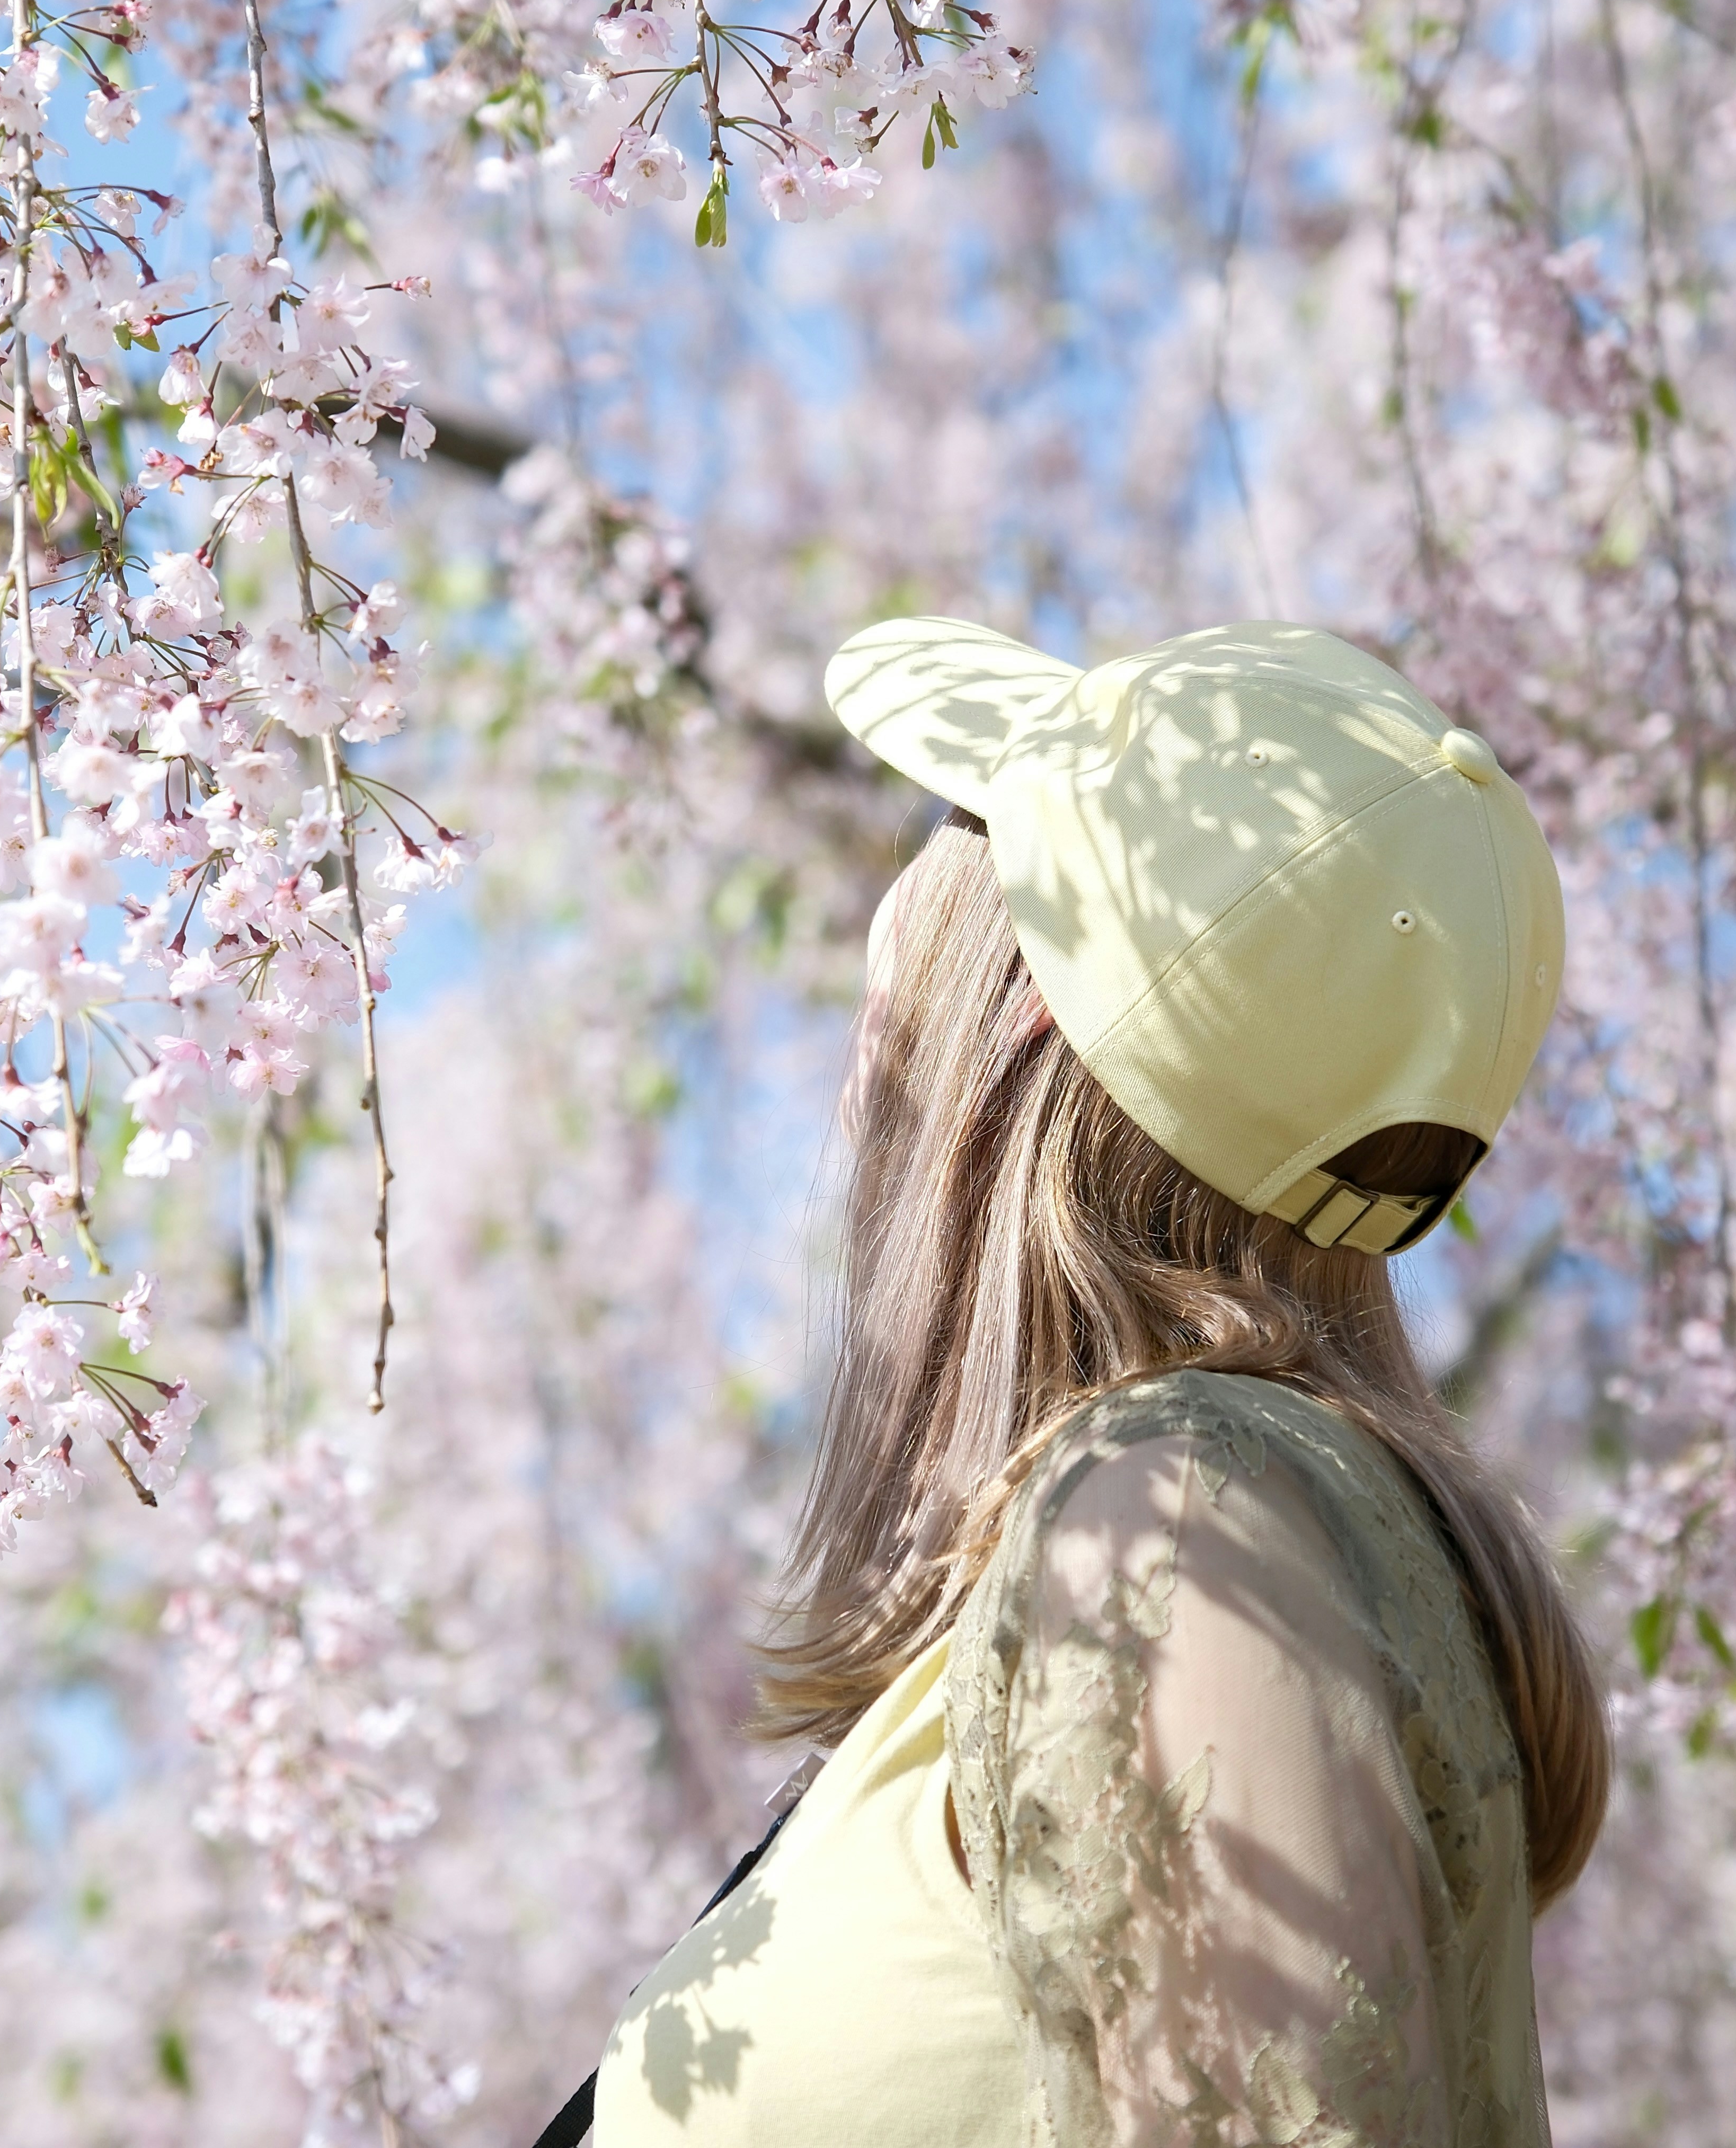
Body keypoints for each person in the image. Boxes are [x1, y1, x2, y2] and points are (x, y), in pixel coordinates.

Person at [580, 616, 1607, 2147]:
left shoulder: (1178, 1520)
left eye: (899, 971)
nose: (862, 1075)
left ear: (1027, 1020)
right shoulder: (1187, 1534)